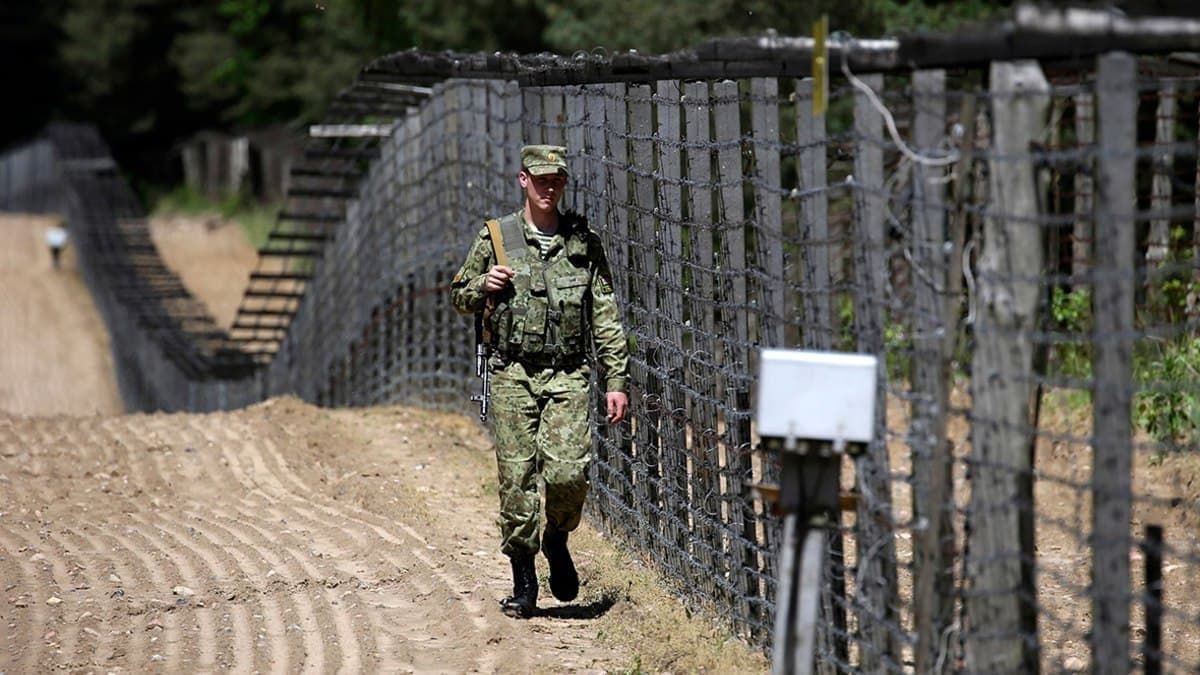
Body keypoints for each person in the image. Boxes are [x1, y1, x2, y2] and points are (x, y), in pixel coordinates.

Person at [450, 144, 630, 619]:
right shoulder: (497, 237)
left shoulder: (582, 242)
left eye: (557, 181)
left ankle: (557, 536)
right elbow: (459, 296)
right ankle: (524, 579)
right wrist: (482, 285)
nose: (549, 188)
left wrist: (616, 379)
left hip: (568, 372)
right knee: (517, 479)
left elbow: (605, 316)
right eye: (541, 179)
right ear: (523, 180)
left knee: (569, 472)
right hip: (512, 372)